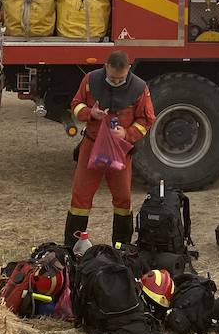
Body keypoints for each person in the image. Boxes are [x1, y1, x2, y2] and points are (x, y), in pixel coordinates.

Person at [64, 50, 155, 249]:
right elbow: (76, 105)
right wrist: (90, 113)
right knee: (80, 195)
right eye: (112, 77)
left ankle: (121, 247)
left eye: (120, 78)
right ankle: (72, 246)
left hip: (119, 150)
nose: (115, 81)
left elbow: (146, 119)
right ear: (106, 66)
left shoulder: (139, 87)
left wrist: (127, 134)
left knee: (123, 198)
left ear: (128, 69)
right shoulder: (90, 80)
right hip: (91, 145)